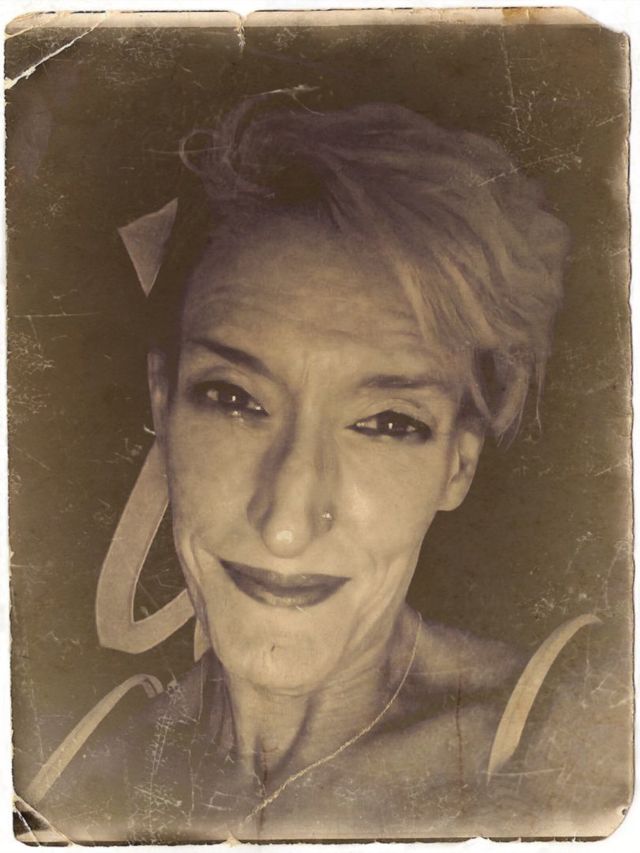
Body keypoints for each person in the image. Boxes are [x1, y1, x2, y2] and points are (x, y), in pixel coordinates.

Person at [17, 95, 626, 843]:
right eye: (235, 398)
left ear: (457, 465)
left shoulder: (576, 753)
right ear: (163, 401)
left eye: (387, 423)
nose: (285, 526)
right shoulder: (67, 786)